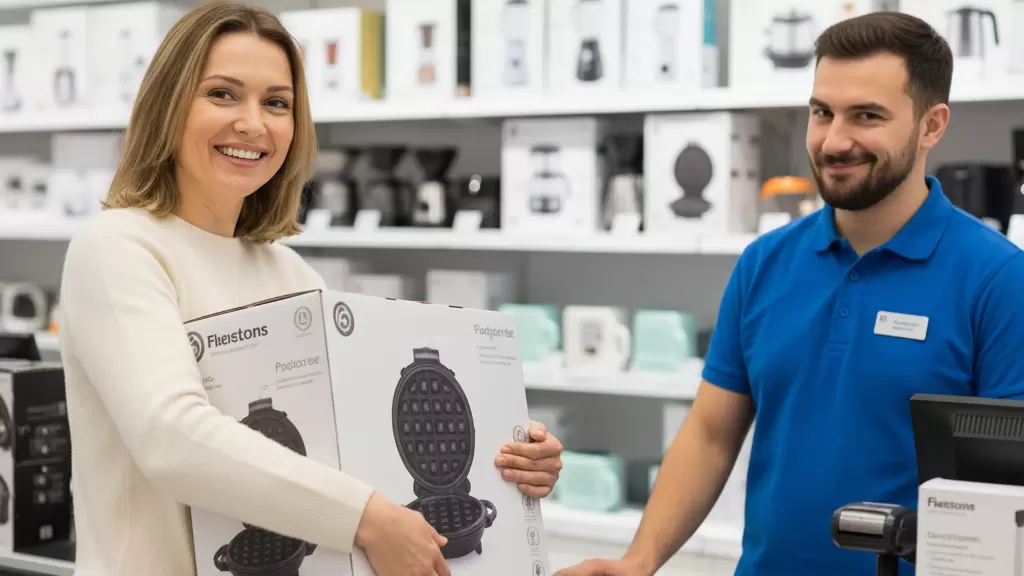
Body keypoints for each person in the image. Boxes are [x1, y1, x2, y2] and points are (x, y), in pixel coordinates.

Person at [56, 3, 563, 576]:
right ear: (168, 105)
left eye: (276, 103)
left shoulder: (290, 274)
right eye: (222, 94)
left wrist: (513, 457)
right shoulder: (117, 248)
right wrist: (366, 518)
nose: (253, 124)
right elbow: (169, 437)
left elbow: (355, 442)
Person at [556, 11, 1024, 576]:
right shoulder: (764, 264)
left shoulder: (999, 280)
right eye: (822, 112)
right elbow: (710, 436)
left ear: (932, 125)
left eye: (866, 116)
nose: (834, 140)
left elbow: (1005, 493)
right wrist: (640, 559)